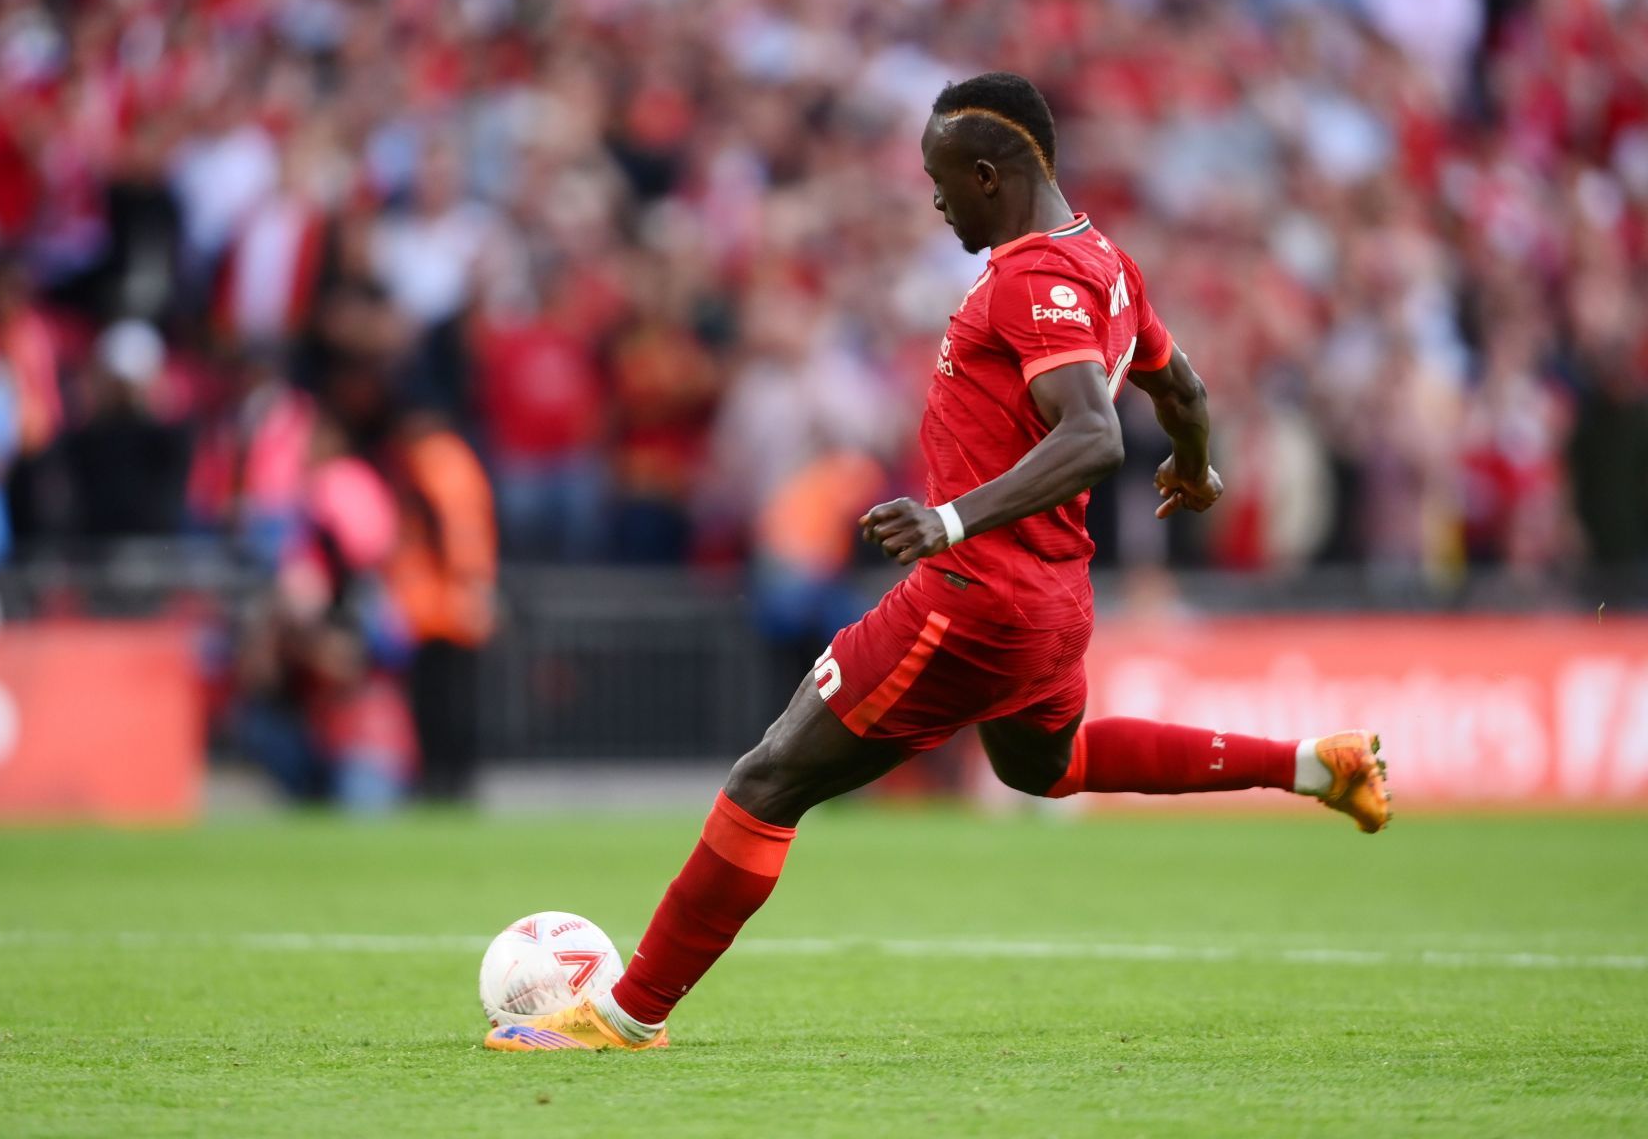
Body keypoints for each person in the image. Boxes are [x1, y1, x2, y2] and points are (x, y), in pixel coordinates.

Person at [484, 73, 1393, 1054]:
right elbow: (1183, 383)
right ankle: (1315, 764)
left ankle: (627, 1012)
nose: (934, 198)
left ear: (990, 173)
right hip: (1052, 600)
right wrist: (1198, 461)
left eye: (941, 178)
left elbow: (1094, 434)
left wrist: (956, 518)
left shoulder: (1034, 278)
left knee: (770, 777)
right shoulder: (1107, 264)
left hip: (977, 596)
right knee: (1044, 763)